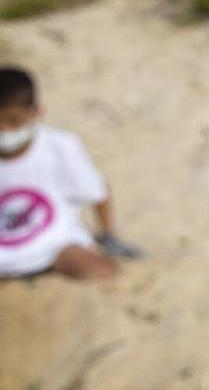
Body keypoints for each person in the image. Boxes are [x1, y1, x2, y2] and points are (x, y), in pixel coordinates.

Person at [0, 66, 141, 281]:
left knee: (102, 271)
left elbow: (98, 192)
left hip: (57, 245)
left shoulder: (61, 146)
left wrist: (108, 236)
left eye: (13, 121)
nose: (4, 130)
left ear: (35, 111)